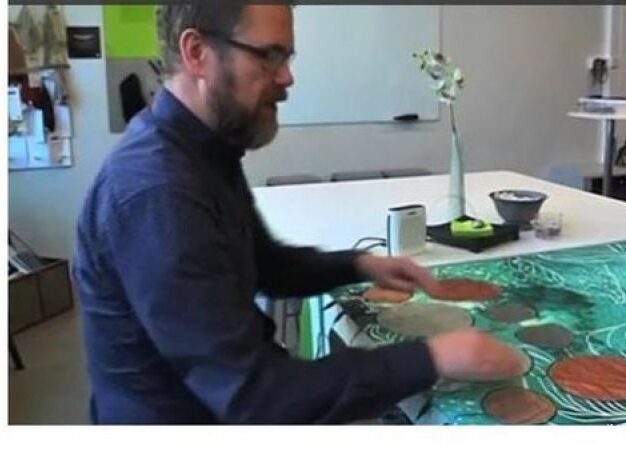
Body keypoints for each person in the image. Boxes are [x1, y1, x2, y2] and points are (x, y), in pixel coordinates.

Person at [74, 4, 523, 424]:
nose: (287, 77)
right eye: (270, 56)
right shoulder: (159, 194)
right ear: (197, 53)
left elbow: (264, 263)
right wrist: (434, 357)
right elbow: (256, 398)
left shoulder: (202, 152)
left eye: (287, 57)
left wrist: (360, 265)